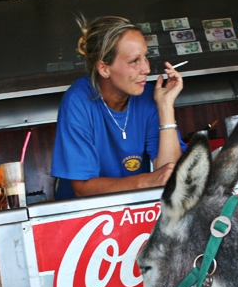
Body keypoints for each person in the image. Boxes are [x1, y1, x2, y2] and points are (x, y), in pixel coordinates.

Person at [51, 15, 186, 199]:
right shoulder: (78, 100)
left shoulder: (148, 97)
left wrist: (165, 106)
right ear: (104, 69)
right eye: (134, 61)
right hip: (82, 218)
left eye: (145, 57)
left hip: (133, 212)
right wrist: (146, 181)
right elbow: (82, 188)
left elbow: (170, 177)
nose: (146, 68)